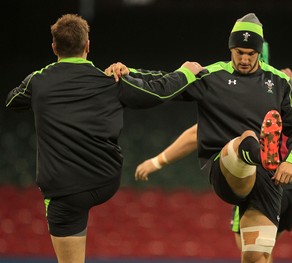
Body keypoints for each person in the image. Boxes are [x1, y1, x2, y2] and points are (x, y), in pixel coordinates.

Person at [108, 13, 292, 263]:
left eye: (250, 53)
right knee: (245, 140)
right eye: (239, 52)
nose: (244, 59)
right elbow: (162, 80)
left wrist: (290, 160)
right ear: (230, 49)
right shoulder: (211, 76)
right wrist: (129, 72)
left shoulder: (280, 83)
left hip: (265, 182)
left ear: (259, 52)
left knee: (257, 256)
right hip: (225, 168)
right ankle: (258, 152)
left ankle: (262, 156)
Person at [5, 14, 203, 263]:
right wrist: (185, 72)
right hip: (104, 181)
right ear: (88, 45)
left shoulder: (38, 81)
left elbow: (13, 100)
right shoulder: (112, 81)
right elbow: (158, 91)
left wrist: (41, 87)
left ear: (54, 47)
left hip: (63, 191)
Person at [135, 69, 292, 263]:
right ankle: (258, 154)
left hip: (258, 175)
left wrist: (157, 161)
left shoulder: (244, 93)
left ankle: (256, 154)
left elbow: (194, 134)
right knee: (261, 250)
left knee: (250, 249)